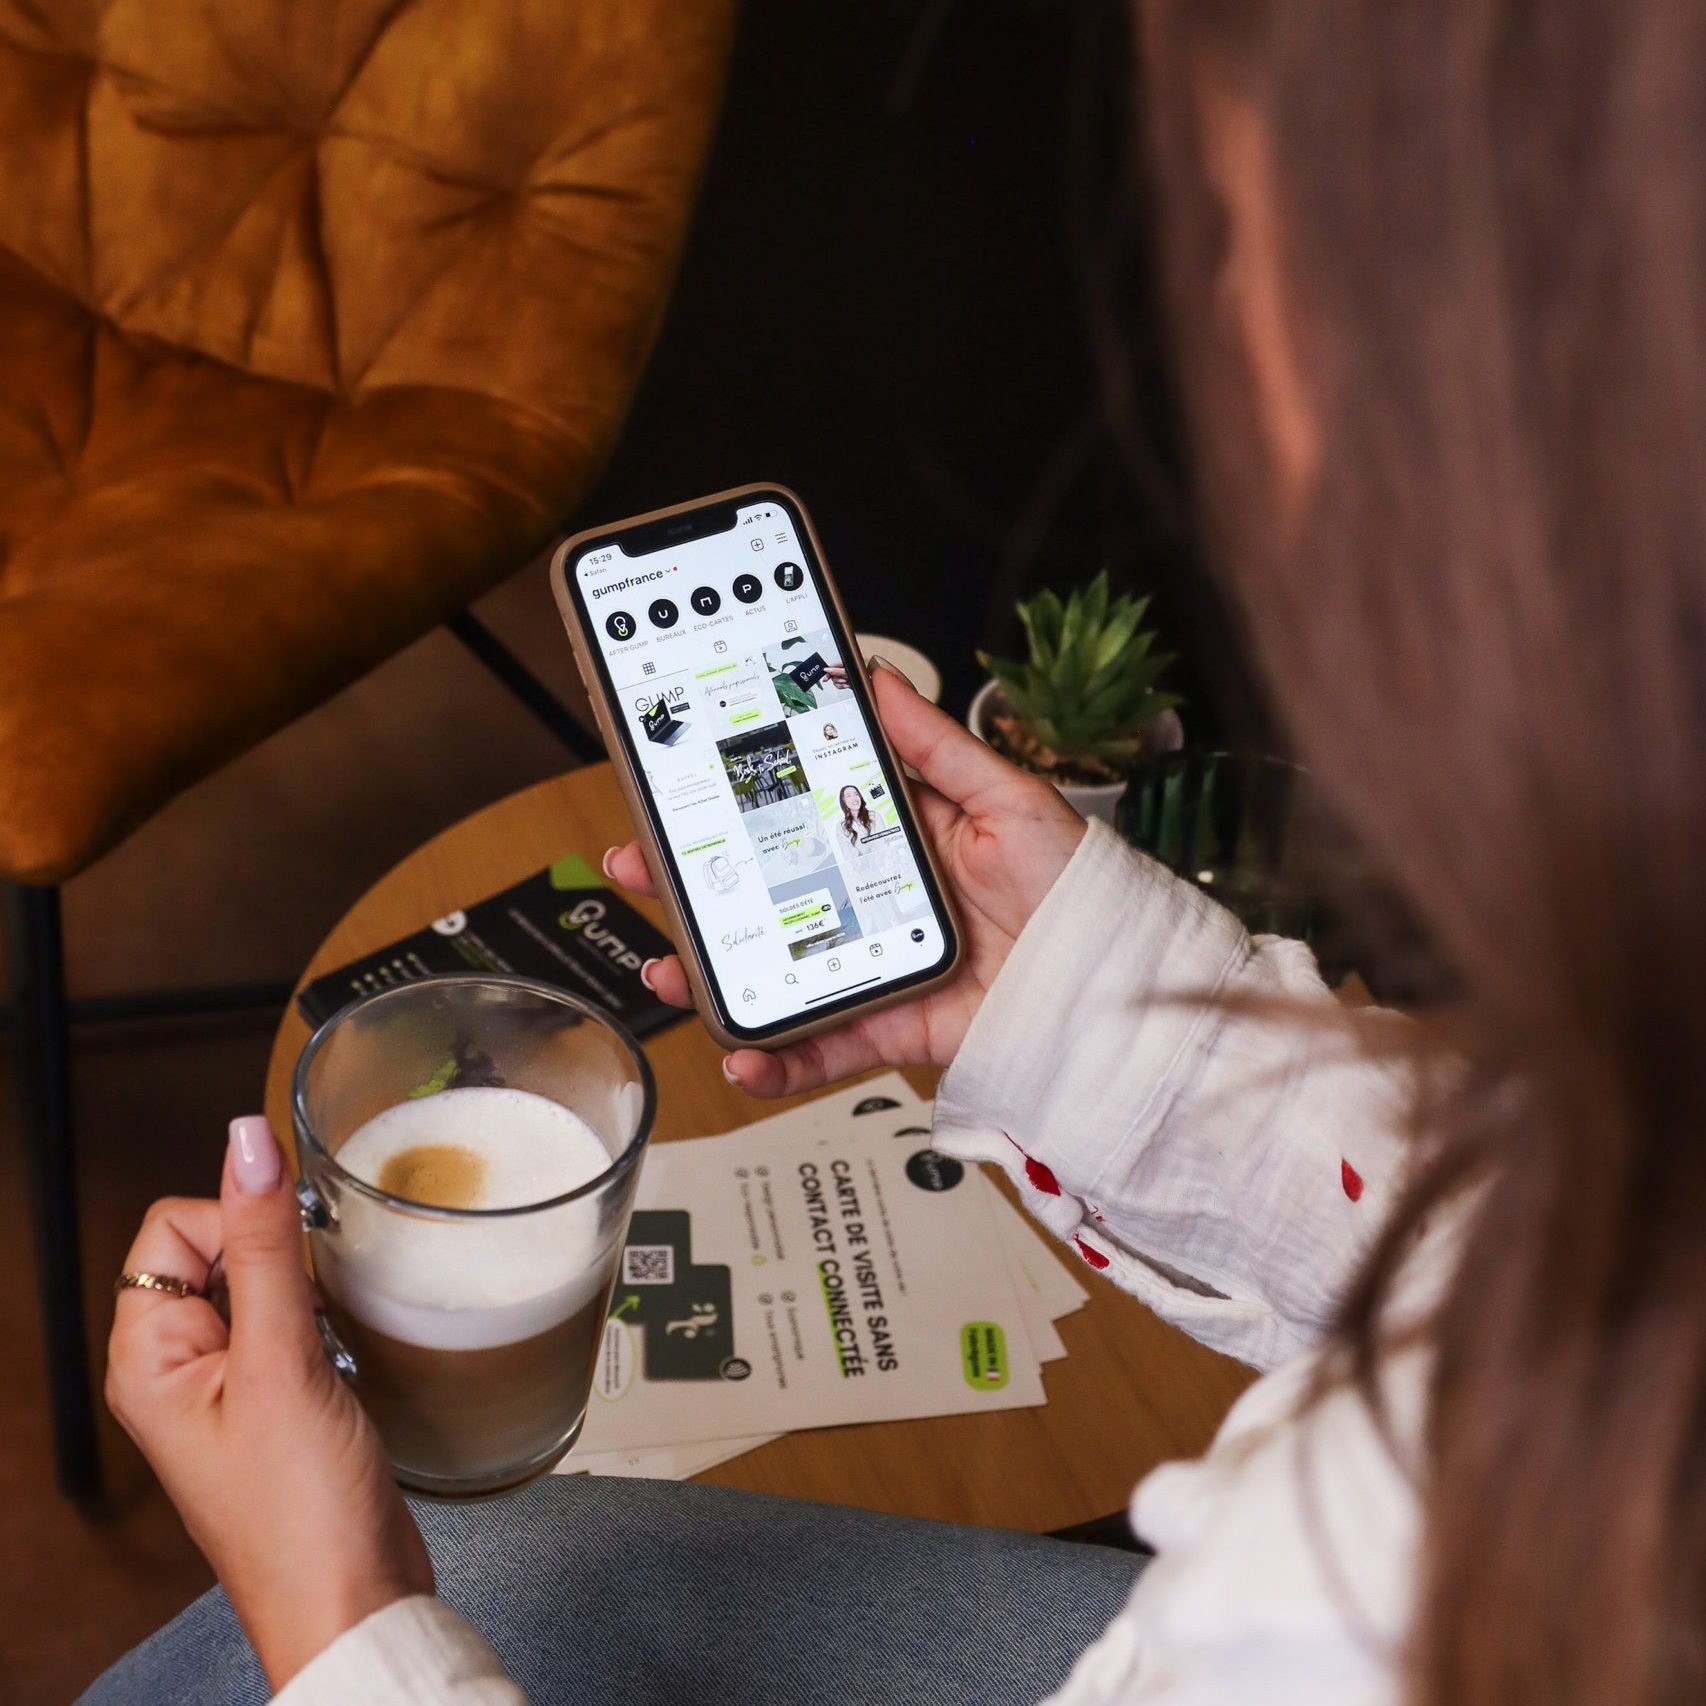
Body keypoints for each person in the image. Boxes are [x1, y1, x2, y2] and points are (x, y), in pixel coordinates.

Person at [85, 5, 1706, 1704]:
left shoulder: (1342, 1605)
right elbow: (1535, 1254)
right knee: (495, 1551)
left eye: (1235, 232)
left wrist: (337, 1615)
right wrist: (1076, 983)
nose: (1223, 314)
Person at [837, 782, 875, 848]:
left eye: (856, 794)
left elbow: (881, 843)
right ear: (843, 801)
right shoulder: (841, 826)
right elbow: (848, 854)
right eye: (848, 796)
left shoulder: (873, 815)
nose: (854, 798)